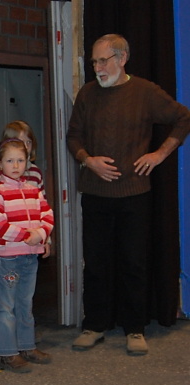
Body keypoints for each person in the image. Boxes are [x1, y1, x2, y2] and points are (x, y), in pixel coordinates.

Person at [67, 34, 190, 355]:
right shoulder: (87, 94)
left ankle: (134, 329)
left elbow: (183, 117)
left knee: (133, 263)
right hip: (95, 193)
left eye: (103, 60)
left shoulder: (146, 92)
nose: (97, 67)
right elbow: (73, 137)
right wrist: (87, 160)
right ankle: (95, 325)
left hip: (134, 194)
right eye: (94, 62)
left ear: (122, 59)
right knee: (95, 263)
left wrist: (159, 155)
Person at [0, 138, 54, 372]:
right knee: (6, 305)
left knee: (26, 302)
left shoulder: (33, 190)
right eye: (9, 161)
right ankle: (7, 352)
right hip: (9, 258)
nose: (15, 166)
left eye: (20, 160)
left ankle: (27, 345)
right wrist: (28, 235)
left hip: (30, 257)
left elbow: (48, 215)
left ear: (27, 162)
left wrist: (41, 234)